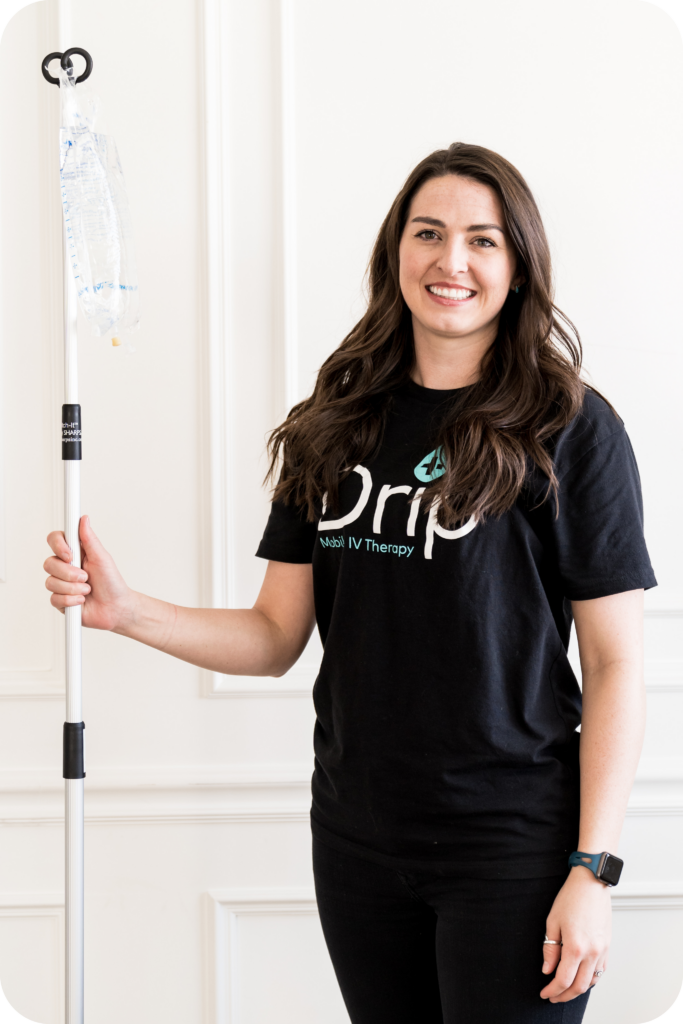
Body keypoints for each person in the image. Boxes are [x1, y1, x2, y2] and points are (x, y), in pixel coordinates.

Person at [44, 142, 656, 1023]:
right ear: (394, 253)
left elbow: (613, 667)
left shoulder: (570, 428)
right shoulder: (333, 422)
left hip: (512, 846)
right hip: (357, 838)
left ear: (518, 266)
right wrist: (129, 611)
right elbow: (273, 636)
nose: (452, 261)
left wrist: (590, 869)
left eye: (483, 241)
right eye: (429, 233)